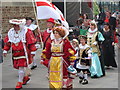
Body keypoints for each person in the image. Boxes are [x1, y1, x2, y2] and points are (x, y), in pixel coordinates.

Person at [3, 19, 37, 89]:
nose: (15, 27)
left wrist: (33, 51)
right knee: (20, 67)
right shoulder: (11, 32)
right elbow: (8, 42)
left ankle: (19, 82)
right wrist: (5, 50)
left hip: (24, 52)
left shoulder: (26, 31)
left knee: (21, 67)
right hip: (15, 53)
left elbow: (31, 42)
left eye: (17, 26)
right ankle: (25, 77)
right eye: (14, 26)